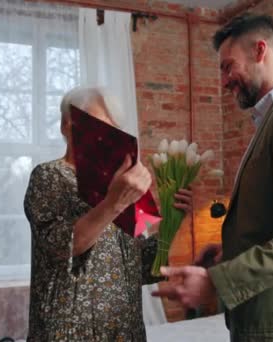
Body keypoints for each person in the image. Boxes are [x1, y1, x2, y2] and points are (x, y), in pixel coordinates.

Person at [152, 13, 273, 341]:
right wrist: (230, 252)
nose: (224, 80)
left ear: (259, 51)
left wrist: (217, 282)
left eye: (228, 66)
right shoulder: (272, 120)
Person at [24, 86, 192, 341]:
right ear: (66, 126)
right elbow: (62, 246)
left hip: (125, 332)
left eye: (111, 128)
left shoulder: (119, 185)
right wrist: (113, 202)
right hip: (69, 333)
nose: (104, 136)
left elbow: (142, 267)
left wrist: (172, 222)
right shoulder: (48, 176)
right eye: (95, 125)